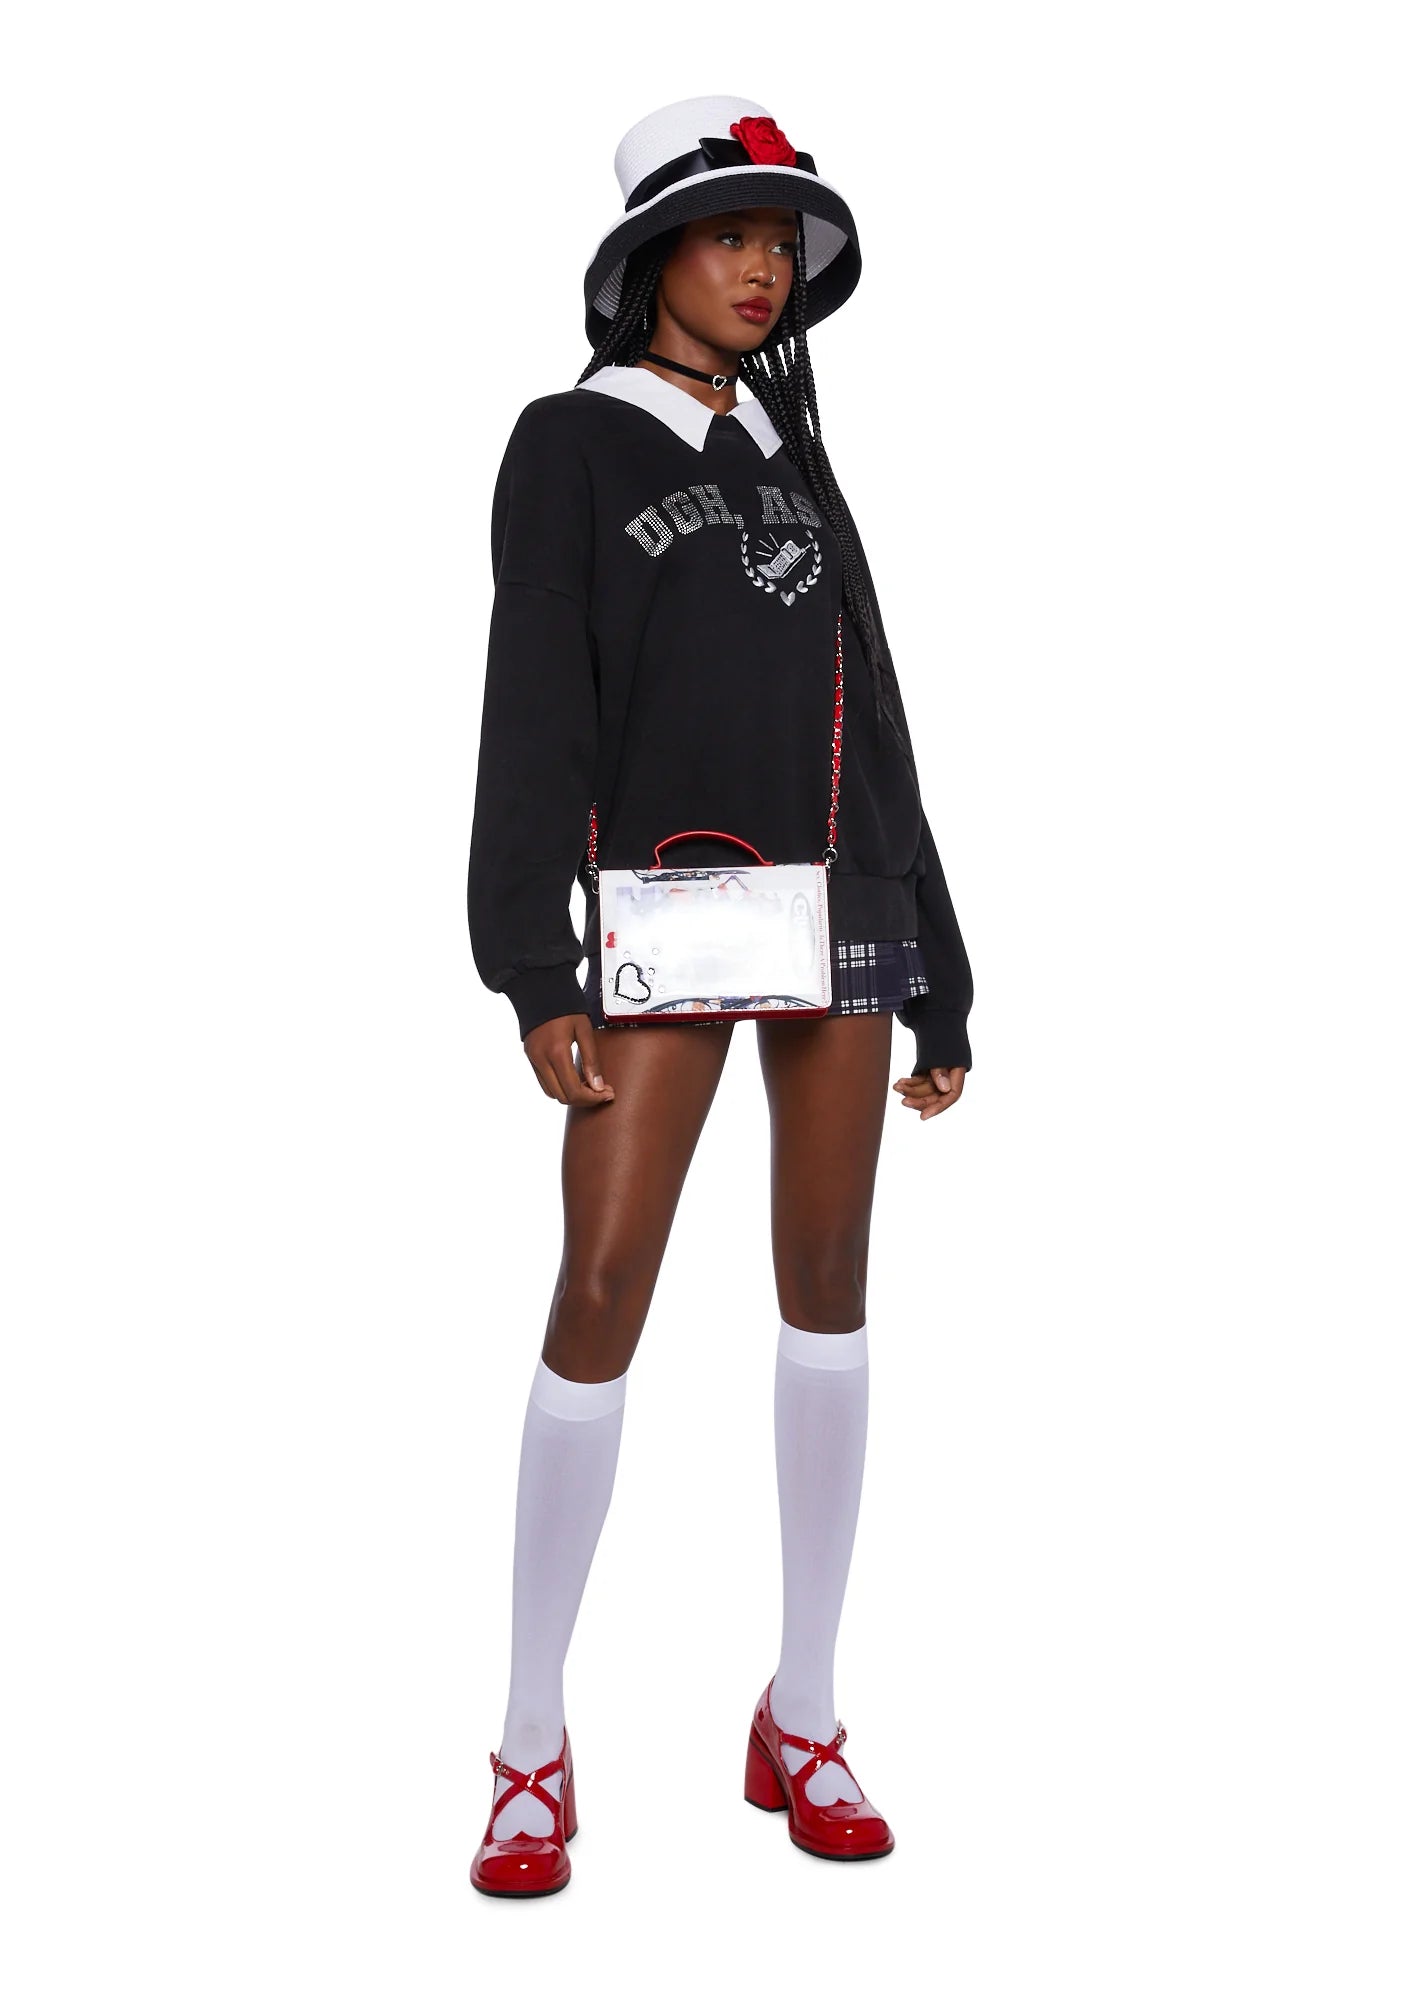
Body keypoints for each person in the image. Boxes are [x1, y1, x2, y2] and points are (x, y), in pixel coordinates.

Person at [465, 95, 974, 1897]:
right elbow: (536, 701)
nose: (762, 267)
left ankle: (804, 1707)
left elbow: (875, 704)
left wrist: (944, 965)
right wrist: (530, 959)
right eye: (727, 235)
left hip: (843, 909)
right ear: (649, 263)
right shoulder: (572, 443)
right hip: (663, 919)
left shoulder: (791, 450)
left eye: (780, 240)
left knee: (827, 1286)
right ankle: (529, 1735)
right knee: (600, 1287)